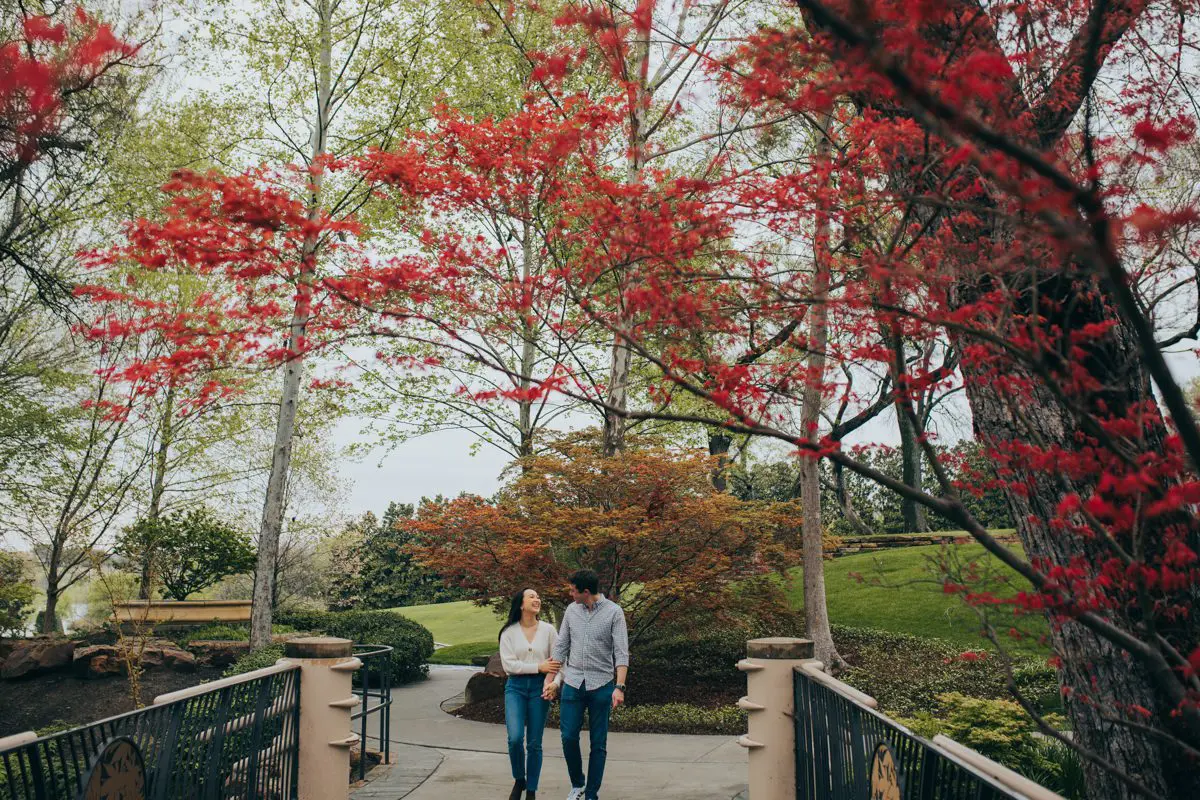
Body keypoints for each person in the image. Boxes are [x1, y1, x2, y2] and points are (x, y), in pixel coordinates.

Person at [545, 569, 629, 800]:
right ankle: (578, 784)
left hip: (601, 685)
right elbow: (561, 647)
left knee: (598, 743)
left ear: (586, 592)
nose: (570, 594)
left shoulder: (614, 613)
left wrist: (619, 688)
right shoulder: (572, 611)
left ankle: (592, 793)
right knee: (568, 736)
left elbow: (621, 654)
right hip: (573, 683)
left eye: (573, 590)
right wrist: (549, 680)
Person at [500, 588, 562, 800]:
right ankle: (520, 779)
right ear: (521, 604)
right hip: (515, 688)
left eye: (538, 596)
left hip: (540, 688)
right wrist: (538, 667)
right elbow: (509, 665)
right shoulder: (508, 633)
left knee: (535, 742)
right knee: (515, 738)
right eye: (532, 596)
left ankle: (532, 790)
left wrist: (556, 684)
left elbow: (559, 663)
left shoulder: (549, 630)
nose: (537, 599)